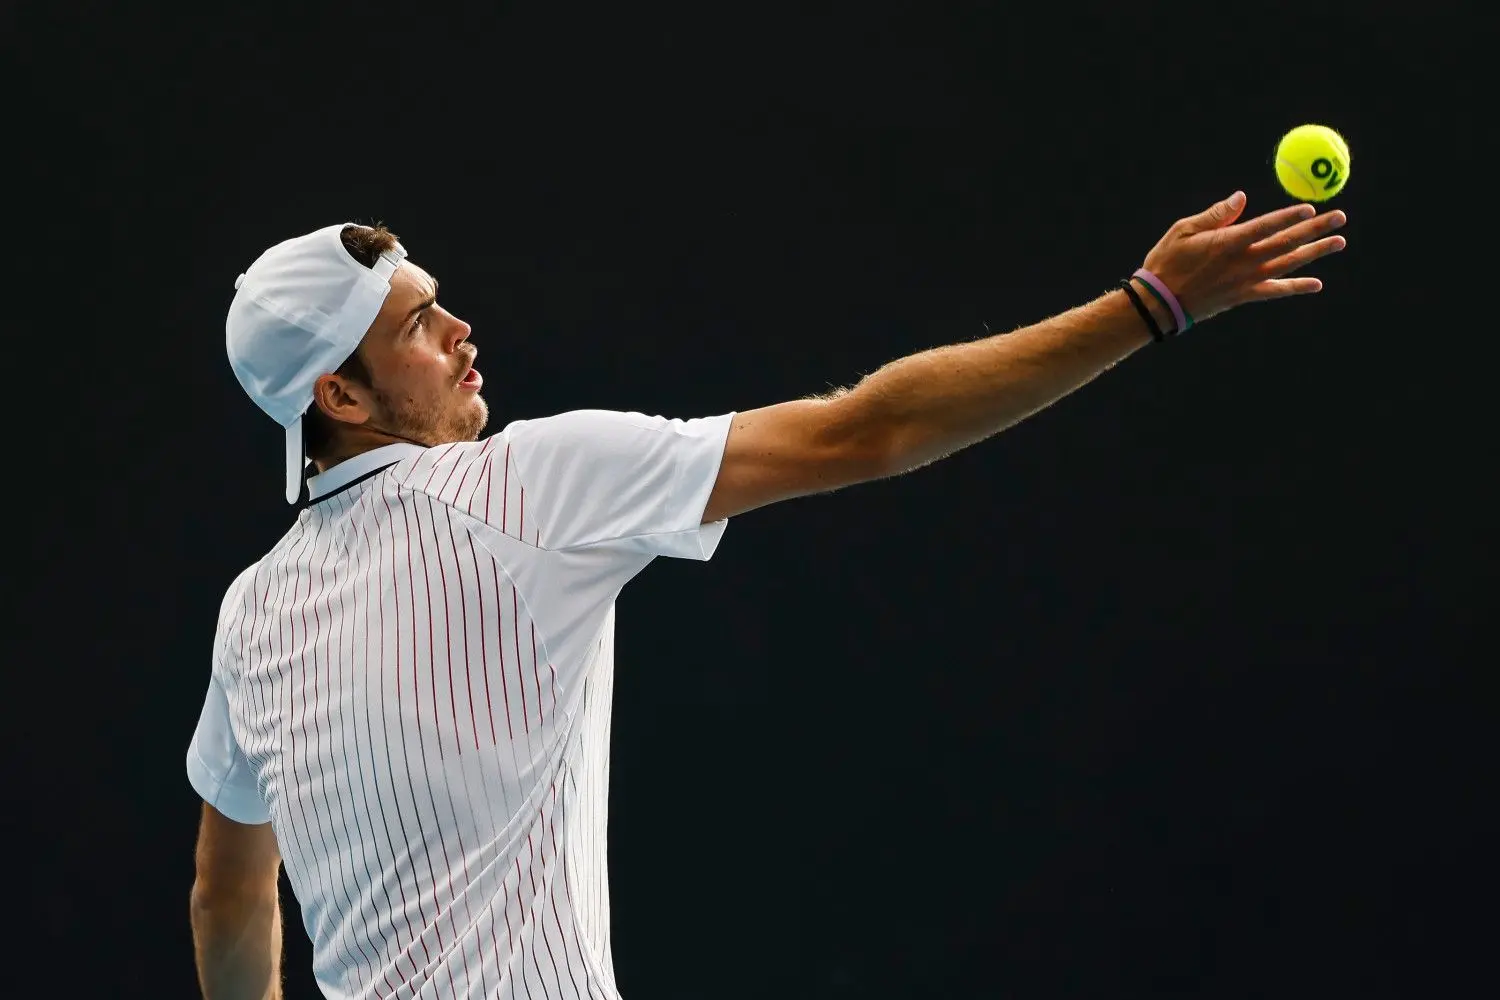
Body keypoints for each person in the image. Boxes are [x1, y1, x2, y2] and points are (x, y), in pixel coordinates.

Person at [186, 191, 1346, 999]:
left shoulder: (252, 615)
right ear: (341, 396)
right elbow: (870, 430)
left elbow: (227, 900)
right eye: (417, 326)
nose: (458, 328)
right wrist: (1148, 304)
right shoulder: (523, 485)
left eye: (439, 300)